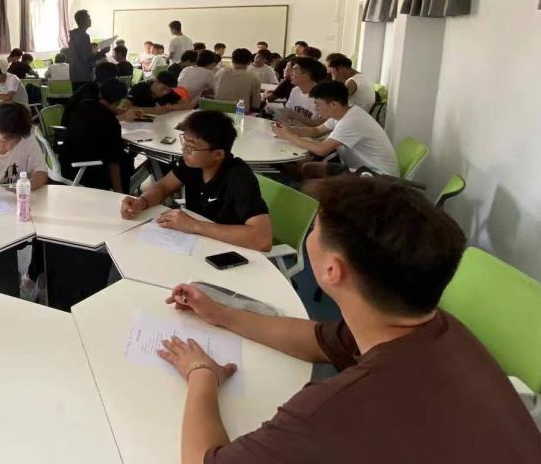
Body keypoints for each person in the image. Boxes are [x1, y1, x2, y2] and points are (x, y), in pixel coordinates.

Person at [154, 177, 541, 464]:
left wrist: (201, 373)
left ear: (332, 270)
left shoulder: (330, 411)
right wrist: (222, 314)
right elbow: (317, 339)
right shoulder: (435, 327)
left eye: (315, 227)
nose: (312, 233)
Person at [121, 110, 271, 252]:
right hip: (195, 243)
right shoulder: (192, 164)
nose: (183, 150)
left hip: (229, 250)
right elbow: (164, 186)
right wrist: (142, 201)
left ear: (218, 154)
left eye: (191, 147)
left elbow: (262, 240)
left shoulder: (239, 177)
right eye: (184, 142)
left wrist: (194, 226)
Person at [273, 80, 398, 179]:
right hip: (358, 168)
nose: (316, 108)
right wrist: (289, 129)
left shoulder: (351, 121)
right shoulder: (343, 112)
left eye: (318, 104)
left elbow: (321, 149)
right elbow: (317, 131)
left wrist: (288, 136)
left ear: (334, 104)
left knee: (312, 185)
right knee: (307, 168)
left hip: (376, 176)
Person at [59, 79, 135, 192]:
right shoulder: (111, 122)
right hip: (85, 171)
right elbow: (113, 163)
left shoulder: (84, 106)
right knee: (124, 162)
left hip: (66, 164)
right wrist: (119, 193)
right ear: (119, 101)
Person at [275, 56, 327, 125]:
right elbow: (287, 113)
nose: (291, 73)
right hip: (293, 129)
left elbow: (321, 125)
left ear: (307, 75)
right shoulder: (295, 90)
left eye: (295, 70)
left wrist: (295, 115)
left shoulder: (323, 96)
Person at [68, 10, 107, 89]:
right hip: (83, 76)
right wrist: (103, 52)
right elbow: (87, 57)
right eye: (89, 18)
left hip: (75, 75)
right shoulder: (83, 36)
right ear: (83, 20)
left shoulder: (74, 35)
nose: (90, 20)